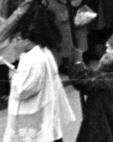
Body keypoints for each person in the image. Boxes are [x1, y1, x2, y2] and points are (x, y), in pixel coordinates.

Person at [5, 8, 75, 142]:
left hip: (37, 110)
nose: (16, 43)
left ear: (27, 40)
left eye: (18, 39)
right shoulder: (42, 52)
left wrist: (13, 77)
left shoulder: (34, 58)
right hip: (46, 106)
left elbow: (25, 89)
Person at [64, 51, 113, 142]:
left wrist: (77, 63)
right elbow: (91, 74)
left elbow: (79, 81)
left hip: (98, 128)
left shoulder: (100, 84)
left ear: (100, 66)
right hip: (111, 125)